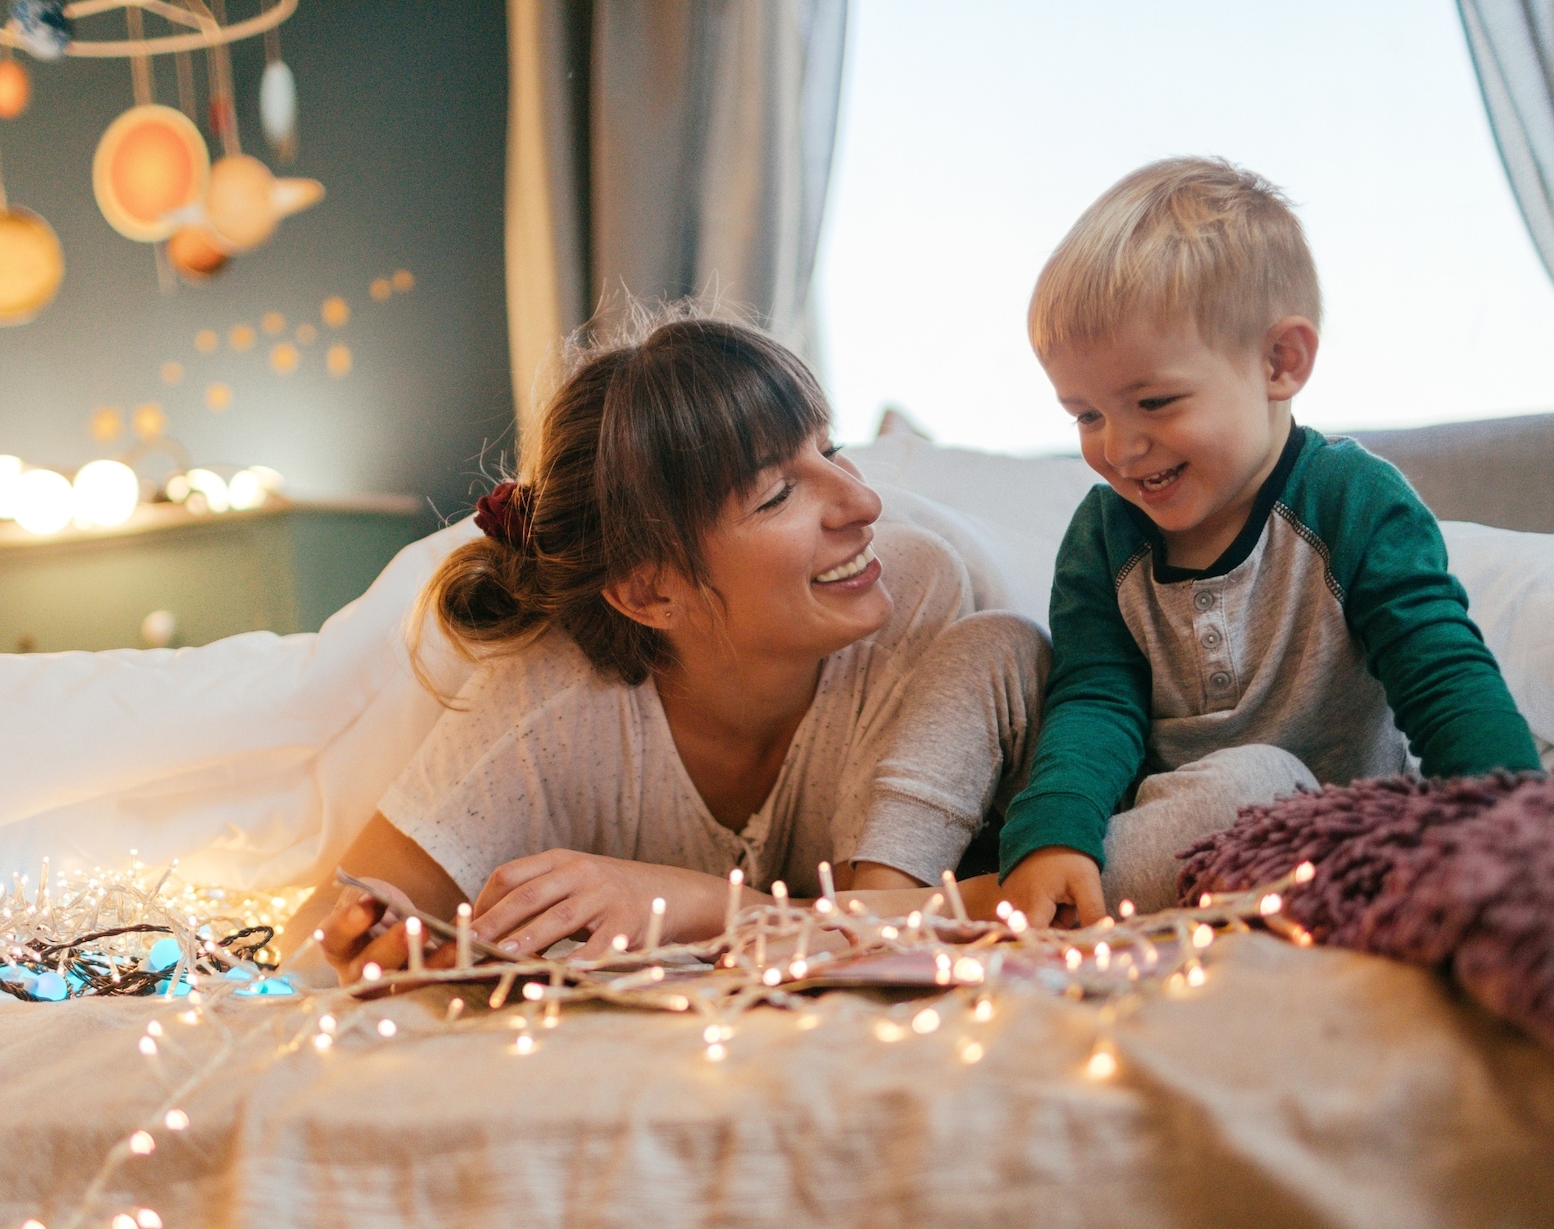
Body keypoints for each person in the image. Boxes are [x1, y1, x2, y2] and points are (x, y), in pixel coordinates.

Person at [294, 308, 1045, 982]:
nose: (863, 500)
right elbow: (324, 933)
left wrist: (693, 901)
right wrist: (385, 941)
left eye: (831, 447)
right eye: (778, 493)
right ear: (651, 592)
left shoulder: (910, 599)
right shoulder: (555, 701)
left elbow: (874, 923)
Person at [997, 156, 1541, 928]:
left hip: (1323, 834)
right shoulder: (1103, 533)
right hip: (1165, 828)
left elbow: (1443, 673)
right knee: (1000, 658)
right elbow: (1094, 698)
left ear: (1280, 362)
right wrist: (1054, 831)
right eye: (1086, 416)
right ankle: (1011, 887)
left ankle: (984, 901)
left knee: (1249, 778)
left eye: (1154, 401)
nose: (1119, 447)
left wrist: (1521, 827)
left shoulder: (1352, 501)